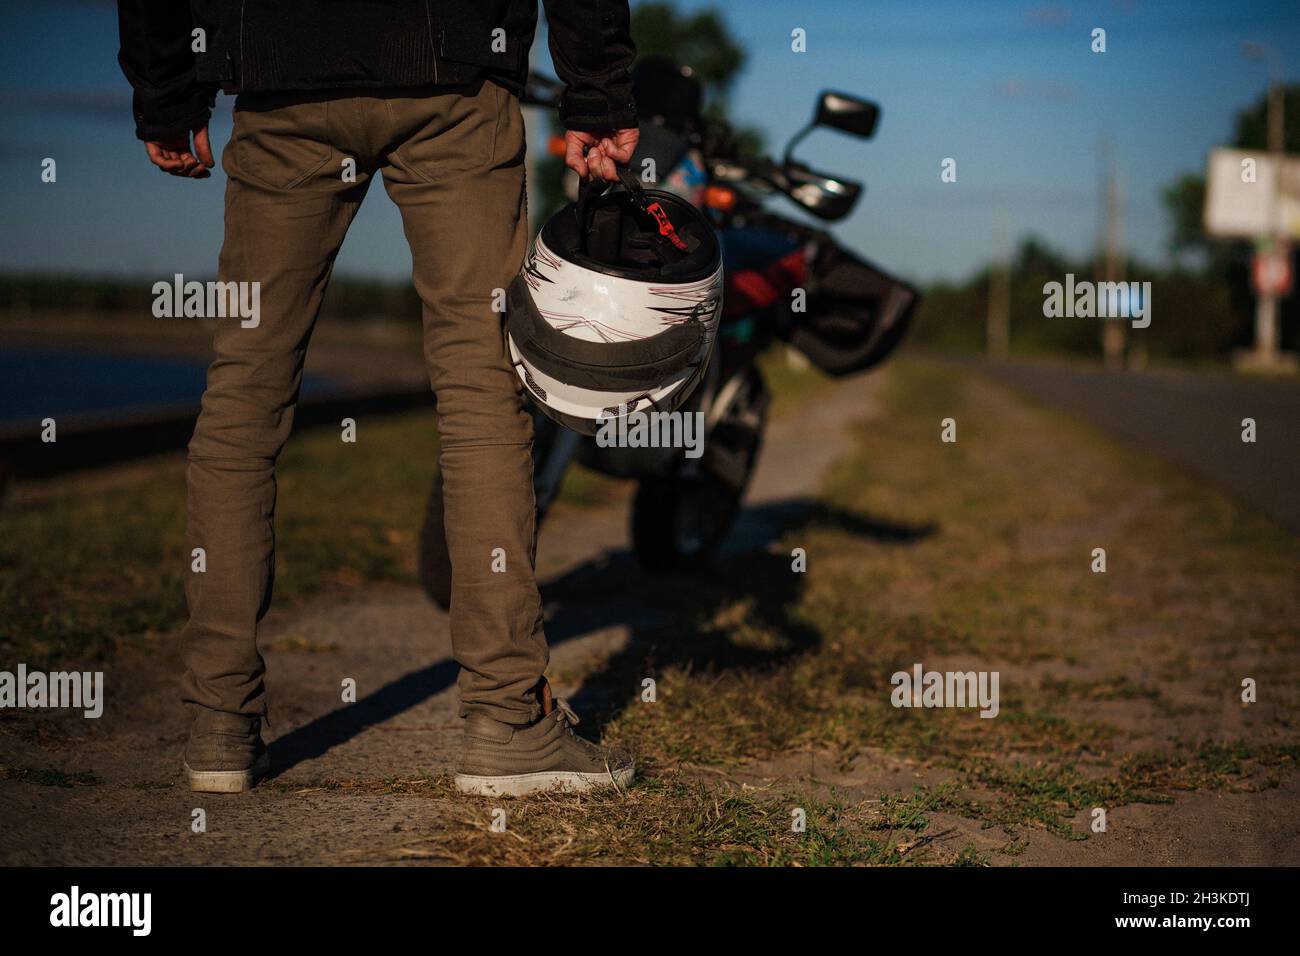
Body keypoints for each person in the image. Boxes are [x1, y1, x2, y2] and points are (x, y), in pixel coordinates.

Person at [116, 0, 640, 797]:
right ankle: (507, 722)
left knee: (243, 400)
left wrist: (167, 90)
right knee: (482, 394)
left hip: (281, 72)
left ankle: (218, 724)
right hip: (453, 67)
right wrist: (597, 94)